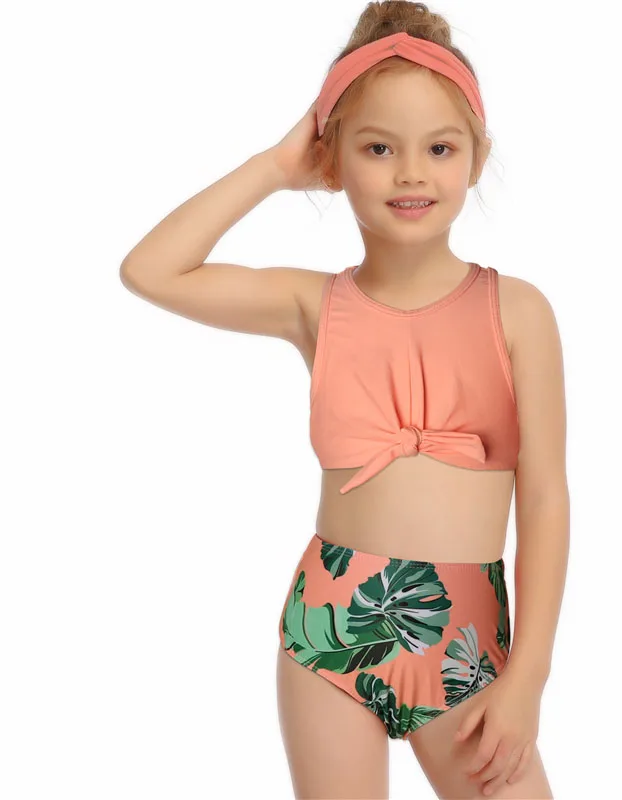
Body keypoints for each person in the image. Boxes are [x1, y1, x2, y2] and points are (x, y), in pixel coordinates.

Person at [120, 2, 568, 797]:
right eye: (377, 147)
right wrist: (274, 167)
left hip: (463, 639)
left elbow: (544, 499)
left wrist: (528, 676)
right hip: (329, 626)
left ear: (477, 156)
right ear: (332, 159)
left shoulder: (518, 312)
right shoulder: (314, 305)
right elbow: (150, 270)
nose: (410, 173)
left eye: (439, 147)